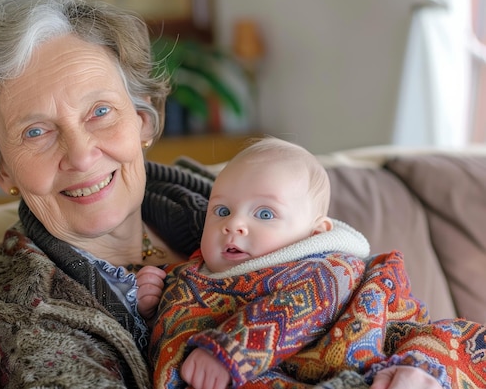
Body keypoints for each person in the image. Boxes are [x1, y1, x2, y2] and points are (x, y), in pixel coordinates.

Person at [0, 0, 450, 389]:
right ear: (4, 171)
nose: (81, 154)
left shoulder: (227, 199)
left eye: (101, 112)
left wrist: (426, 365)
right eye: (37, 131)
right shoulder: (29, 321)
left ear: (144, 123)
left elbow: (381, 311)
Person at [138, 137, 486, 389]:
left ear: (313, 232)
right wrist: (155, 297)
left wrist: (229, 351)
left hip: (373, 347)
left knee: (458, 340)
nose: (234, 224)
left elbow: (296, 309)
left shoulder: (327, 269)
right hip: (288, 373)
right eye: (222, 210)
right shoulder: (189, 276)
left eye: (264, 213)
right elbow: (179, 327)